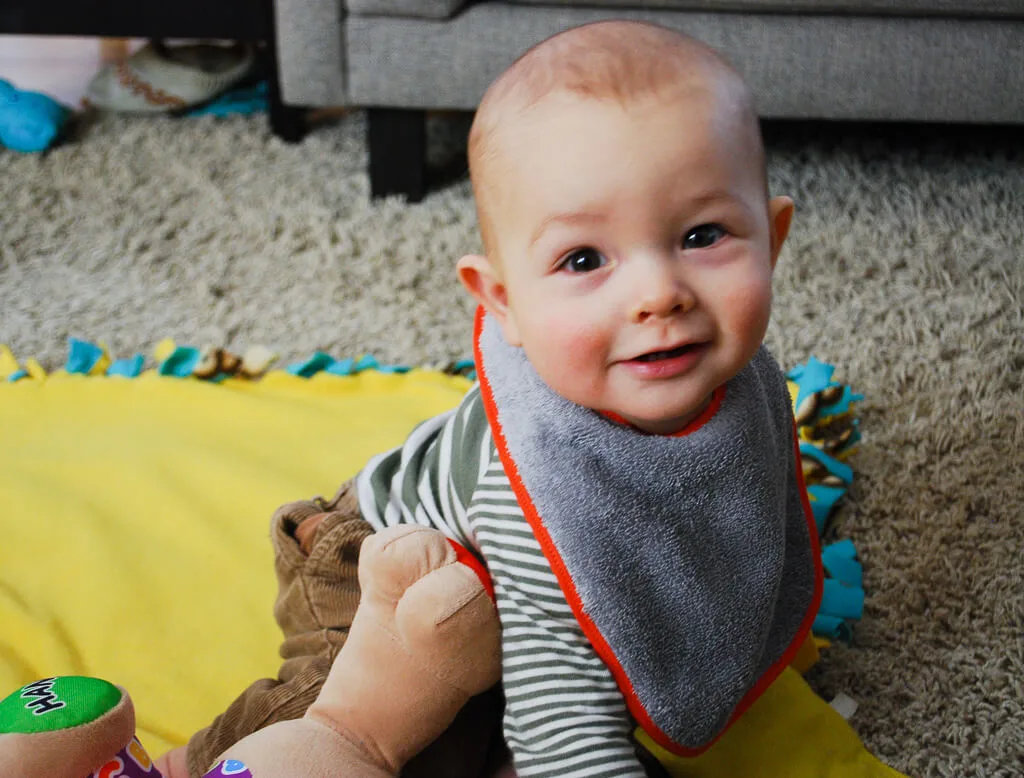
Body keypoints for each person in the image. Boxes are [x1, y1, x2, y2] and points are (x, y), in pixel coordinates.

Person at [161, 19, 821, 778]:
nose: (659, 295)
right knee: (369, 729)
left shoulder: (739, 378)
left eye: (703, 236)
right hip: (375, 567)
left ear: (773, 238)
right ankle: (185, 764)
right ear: (501, 301)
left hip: (500, 605)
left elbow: (730, 512)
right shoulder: (535, 495)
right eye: (583, 258)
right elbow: (562, 727)